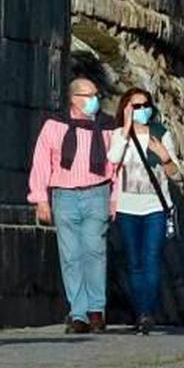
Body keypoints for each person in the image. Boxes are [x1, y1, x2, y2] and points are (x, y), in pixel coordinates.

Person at [28, 78, 117, 334]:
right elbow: (42, 162)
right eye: (87, 95)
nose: (93, 100)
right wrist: (40, 199)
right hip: (64, 195)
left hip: (97, 192)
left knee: (94, 250)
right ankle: (78, 313)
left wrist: (114, 199)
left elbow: (116, 166)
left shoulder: (107, 127)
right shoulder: (54, 126)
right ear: (74, 99)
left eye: (95, 95)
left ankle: (96, 310)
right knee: (70, 255)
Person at [107, 88, 181, 335]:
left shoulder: (161, 134)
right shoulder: (119, 134)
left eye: (145, 105)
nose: (141, 110)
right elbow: (113, 159)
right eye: (135, 106)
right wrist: (126, 129)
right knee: (135, 263)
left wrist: (166, 157)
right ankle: (140, 312)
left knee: (151, 259)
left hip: (155, 207)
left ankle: (147, 312)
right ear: (126, 108)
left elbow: (175, 173)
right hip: (127, 207)